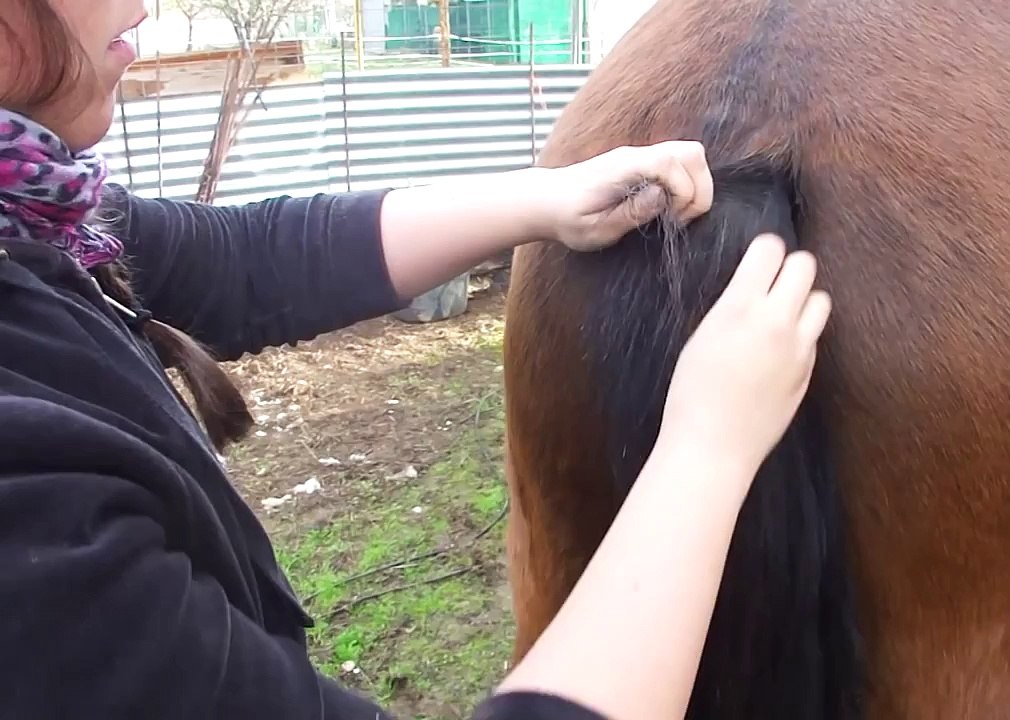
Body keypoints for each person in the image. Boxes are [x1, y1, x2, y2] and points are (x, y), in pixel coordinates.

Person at [0, 1, 832, 719]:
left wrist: (540, 201)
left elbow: (238, 259)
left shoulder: (40, 218)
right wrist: (707, 448)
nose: (144, 7)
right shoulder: (27, 516)